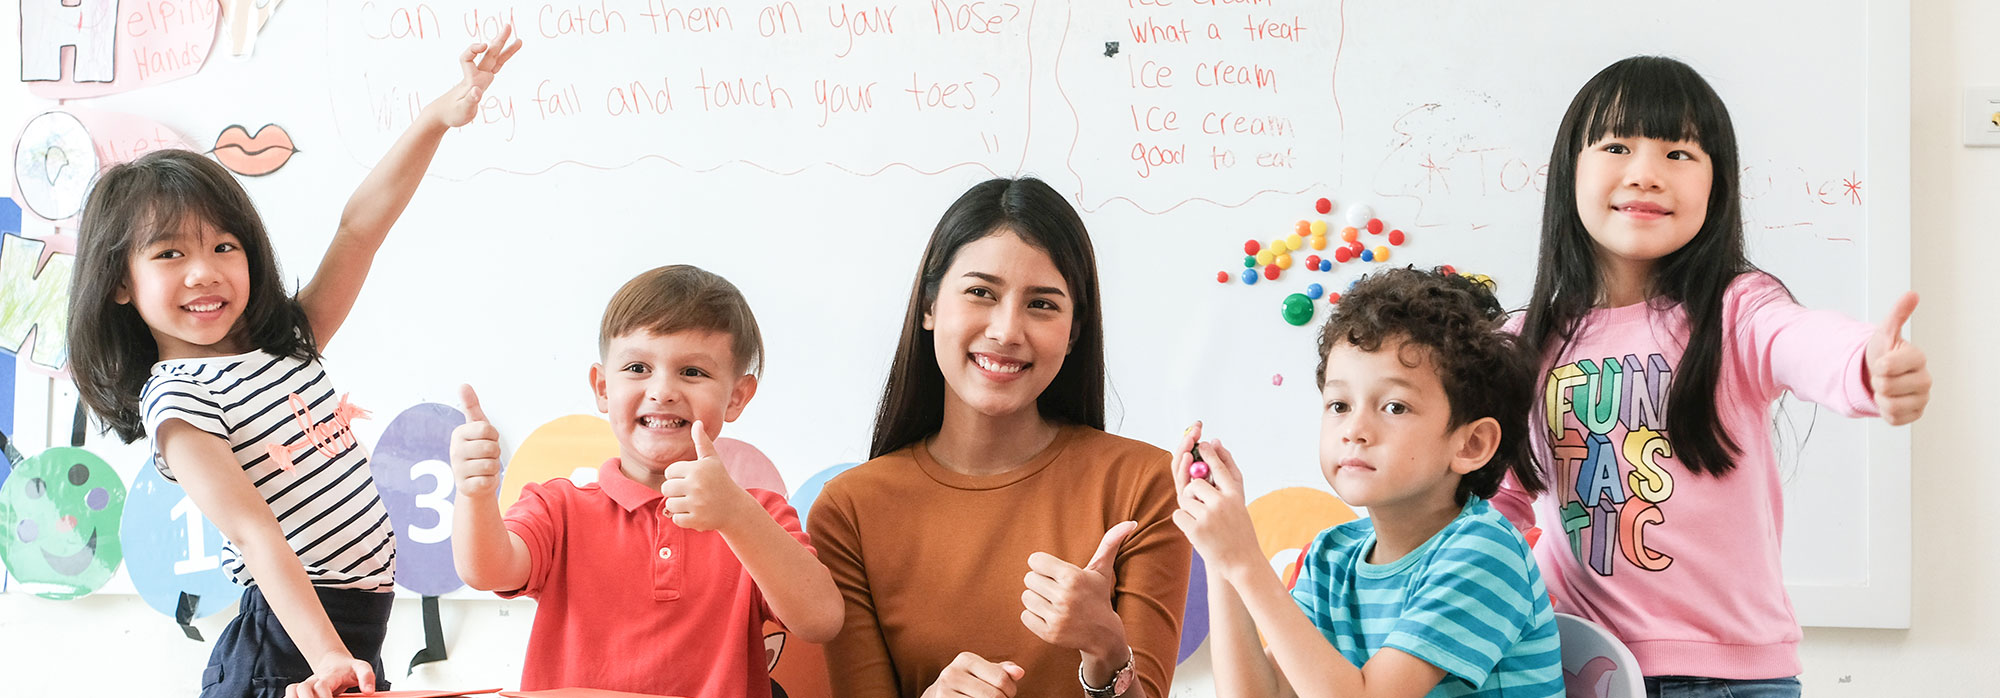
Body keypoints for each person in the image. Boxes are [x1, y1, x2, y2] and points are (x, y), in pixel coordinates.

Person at [64, 26, 523, 698]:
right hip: (291, 647)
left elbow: (359, 229)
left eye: (224, 247)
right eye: (169, 255)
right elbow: (253, 533)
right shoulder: (178, 401)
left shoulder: (286, 345)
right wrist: (328, 658)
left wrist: (436, 118)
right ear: (119, 282)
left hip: (351, 636)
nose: (204, 273)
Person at [1495, 55, 1933, 697]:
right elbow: (1498, 500)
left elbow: (1803, 341)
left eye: (1679, 154)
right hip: (1569, 666)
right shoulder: (1522, 341)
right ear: (1569, 173)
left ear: (1716, 187)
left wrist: (1867, 366)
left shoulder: (1736, 311)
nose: (1645, 174)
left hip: (1727, 679)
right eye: (1617, 145)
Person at [811, 177, 1191, 698]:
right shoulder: (849, 510)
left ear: (1074, 330)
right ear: (929, 307)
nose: (1007, 330)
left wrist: (1106, 649)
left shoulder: (1143, 485)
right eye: (980, 293)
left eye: (1042, 304)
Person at [450, 265, 842, 697]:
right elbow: (487, 570)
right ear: (602, 387)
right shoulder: (558, 507)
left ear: (736, 397)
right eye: (638, 367)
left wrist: (735, 516)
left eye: (693, 372)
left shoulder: (759, 514)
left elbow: (820, 620)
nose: (662, 390)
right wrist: (475, 495)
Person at [1176, 268, 1562, 697]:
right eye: (1339, 404)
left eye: (1395, 407)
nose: (1354, 429)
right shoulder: (1331, 558)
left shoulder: (1484, 551)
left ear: (1471, 444)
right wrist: (1220, 560)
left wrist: (1246, 562)